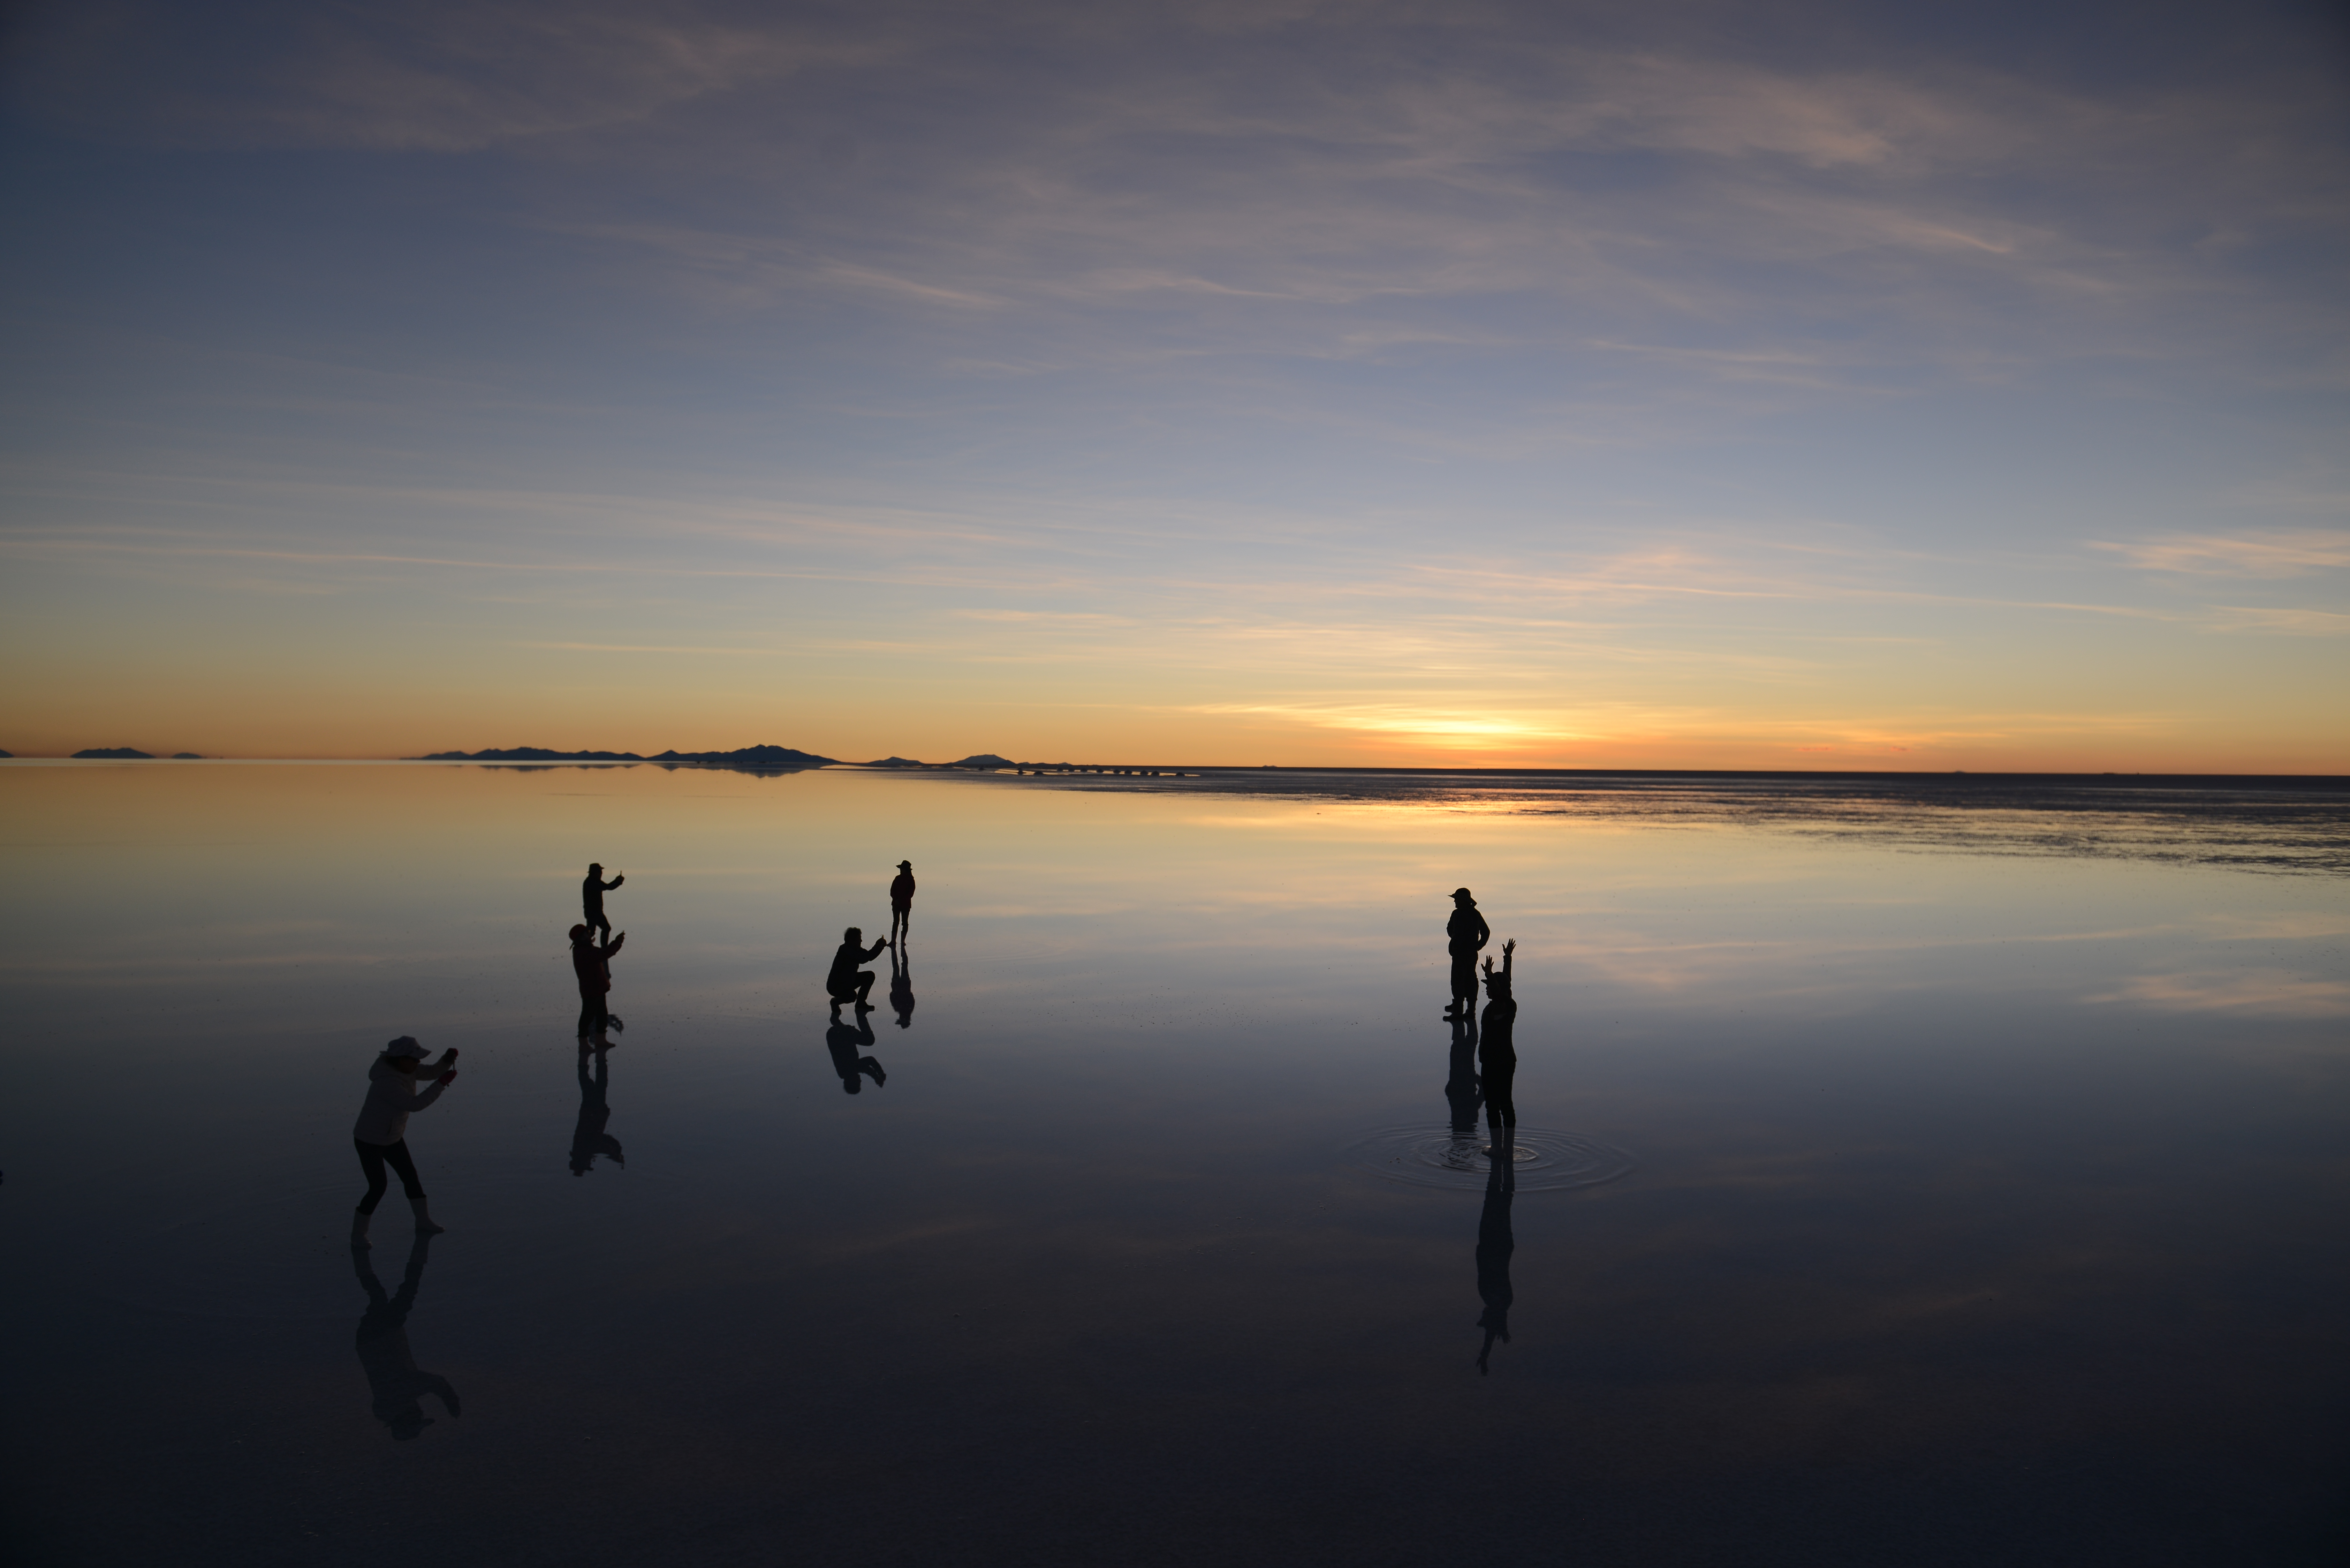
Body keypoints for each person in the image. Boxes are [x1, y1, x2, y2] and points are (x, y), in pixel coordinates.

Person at [351, 1037, 458, 1247]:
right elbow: (414, 1104)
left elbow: (430, 1072)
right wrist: (442, 1085)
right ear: (400, 1059)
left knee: (411, 1178)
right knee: (378, 1187)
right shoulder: (387, 1082)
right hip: (369, 1140)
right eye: (415, 1059)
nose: (418, 1063)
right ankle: (358, 1235)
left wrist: (446, 1060)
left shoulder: (406, 1069)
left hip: (392, 1138)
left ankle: (423, 1221)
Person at [353, 1234, 460, 1440]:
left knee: (407, 1291)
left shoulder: (401, 1393)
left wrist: (452, 1403)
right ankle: (362, 1264)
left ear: (409, 1415)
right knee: (379, 1296)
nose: (421, 1410)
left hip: (382, 1337)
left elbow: (439, 1384)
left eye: (419, 1414)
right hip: (368, 1341)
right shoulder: (387, 1401)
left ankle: (418, 1255)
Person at [569, 1040, 624, 1175]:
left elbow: (602, 1143)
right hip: (595, 1112)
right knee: (595, 1083)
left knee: (594, 1084)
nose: (590, 1162)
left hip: (594, 1112)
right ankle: (591, 1061)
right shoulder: (584, 1149)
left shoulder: (584, 1149)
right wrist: (615, 1155)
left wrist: (615, 1155)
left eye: (588, 1164)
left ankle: (589, 1062)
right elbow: (604, 1143)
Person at [1478, 939, 1517, 1128]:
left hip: (1496, 1063)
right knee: (1503, 1104)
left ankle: (1500, 1148)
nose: (1487, 988)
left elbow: (1499, 988)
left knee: (1497, 1105)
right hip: (1500, 1061)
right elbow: (1506, 982)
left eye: (1489, 986)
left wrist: (1490, 975)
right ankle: (1504, 1148)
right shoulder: (1507, 1003)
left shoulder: (1501, 1006)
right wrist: (1508, 958)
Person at [571, 923, 625, 1041]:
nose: (589, 934)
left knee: (602, 1015)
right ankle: (583, 1042)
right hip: (592, 989)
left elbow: (605, 953)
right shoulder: (583, 952)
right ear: (582, 937)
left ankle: (601, 1040)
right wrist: (617, 942)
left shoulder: (586, 949)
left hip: (598, 988)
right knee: (588, 1016)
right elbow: (604, 954)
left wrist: (617, 943)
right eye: (587, 933)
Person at [1444, 887, 1491, 1019]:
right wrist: (1478, 946)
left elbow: (1450, 929)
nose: (1455, 902)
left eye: (1457, 900)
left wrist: (1457, 940)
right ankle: (1469, 1010)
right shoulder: (1474, 914)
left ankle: (1459, 1011)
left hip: (1462, 953)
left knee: (1458, 980)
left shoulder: (1459, 914)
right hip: (1469, 953)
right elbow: (1486, 932)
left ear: (1464, 901)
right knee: (1470, 979)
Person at [827, 926, 890, 1014]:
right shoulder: (845, 950)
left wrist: (880, 947)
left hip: (849, 980)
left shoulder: (855, 949)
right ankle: (835, 1002)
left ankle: (861, 1003)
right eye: (859, 939)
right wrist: (877, 946)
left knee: (869, 976)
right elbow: (864, 959)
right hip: (836, 986)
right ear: (852, 940)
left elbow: (869, 957)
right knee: (851, 996)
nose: (861, 941)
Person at [824, 1009, 887, 1094]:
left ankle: (860, 1015)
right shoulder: (845, 1073)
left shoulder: (849, 1070)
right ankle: (837, 1022)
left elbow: (870, 1061)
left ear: (853, 1082)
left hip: (839, 1035)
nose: (861, 1081)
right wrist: (877, 1077)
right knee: (845, 1034)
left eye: (859, 1083)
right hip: (834, 1035)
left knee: (870, 1040)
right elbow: (866, 1068)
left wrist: (880, 1074)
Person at [581, 862, 624, 941]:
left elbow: (608, 887)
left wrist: (618, 882)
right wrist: (618, 882)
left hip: (596, 912)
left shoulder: (593, 881)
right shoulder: (592, 882)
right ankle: (584, 946)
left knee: (605, 929)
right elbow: (608, 887)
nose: (601, 874)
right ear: (595, 873)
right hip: (593, 913)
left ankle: (602, 949)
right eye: (600, 872)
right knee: (591, 932)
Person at [888, 943, 916, 1030]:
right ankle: (898, 951)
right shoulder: (899, 1008)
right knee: (898, 967)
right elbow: (892, 996)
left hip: (903, 985)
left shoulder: (905, 1007)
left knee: (901, 967)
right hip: (901, 986)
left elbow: (911, 997)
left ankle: (897, 951)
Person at [888, 860, 916, 943]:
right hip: (896, 904)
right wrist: (896, 899)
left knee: (905, 923)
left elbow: (911, 893)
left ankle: (903, 941)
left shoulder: (911, 880)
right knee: (896, 922)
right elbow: (892, 891)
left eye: (902, 869)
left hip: (906, 905)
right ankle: (893, 941)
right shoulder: (897, 878)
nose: (901, 870)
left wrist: (900, 900)